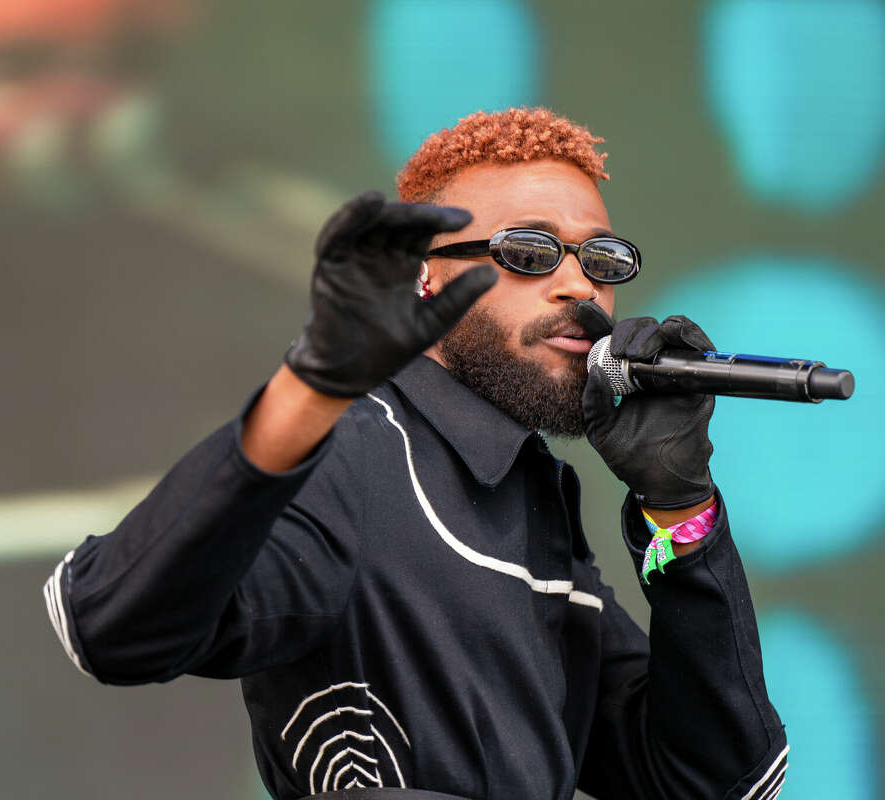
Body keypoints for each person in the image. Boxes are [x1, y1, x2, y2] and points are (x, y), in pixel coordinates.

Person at [42, 108, 787, 800]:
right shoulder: (354, 449)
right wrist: (309, 393)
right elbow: (107, 625)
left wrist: (679, 510)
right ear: (423, 274)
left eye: (603, 258)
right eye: (528, 252)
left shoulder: (533, 500)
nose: (576, 283)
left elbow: (717, 783)